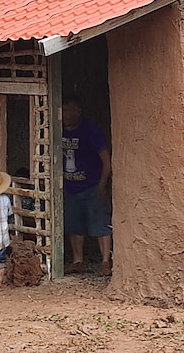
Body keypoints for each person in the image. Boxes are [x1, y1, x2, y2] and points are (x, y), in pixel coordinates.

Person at [62, 94, 112, 276]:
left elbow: (106, 159)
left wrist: (101, 185)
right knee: (74, 225)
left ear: (78, 112)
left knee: (101, 225)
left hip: (92, 186)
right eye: (63, 110)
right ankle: (78, 261)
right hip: (70, 187)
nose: (64, 114)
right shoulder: (57, 128)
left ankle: (105, 262)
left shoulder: (90, 130)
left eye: (68, 110)